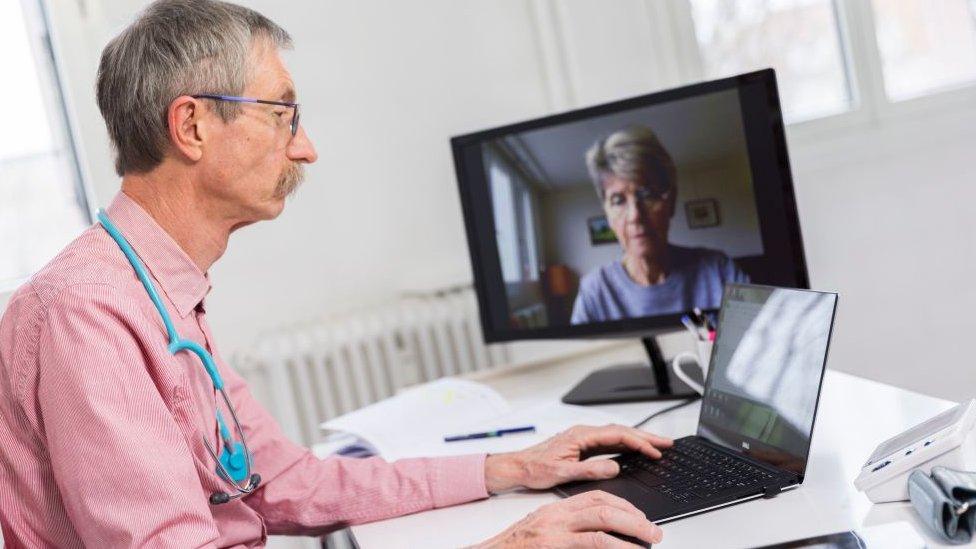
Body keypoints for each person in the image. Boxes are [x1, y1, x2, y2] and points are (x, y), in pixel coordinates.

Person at [0, 1, 669, 547]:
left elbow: (289, 482)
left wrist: (512, 467)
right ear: (193, 126)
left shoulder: (161, 296)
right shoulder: (86, 312)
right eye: (281, 113)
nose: (306, 147)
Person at [571, 126, 749, 324]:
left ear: (671, 202)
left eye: (648, 195)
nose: (635, 215)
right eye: (618, 200)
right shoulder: (595, 292)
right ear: (608, 216)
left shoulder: (718, 271)